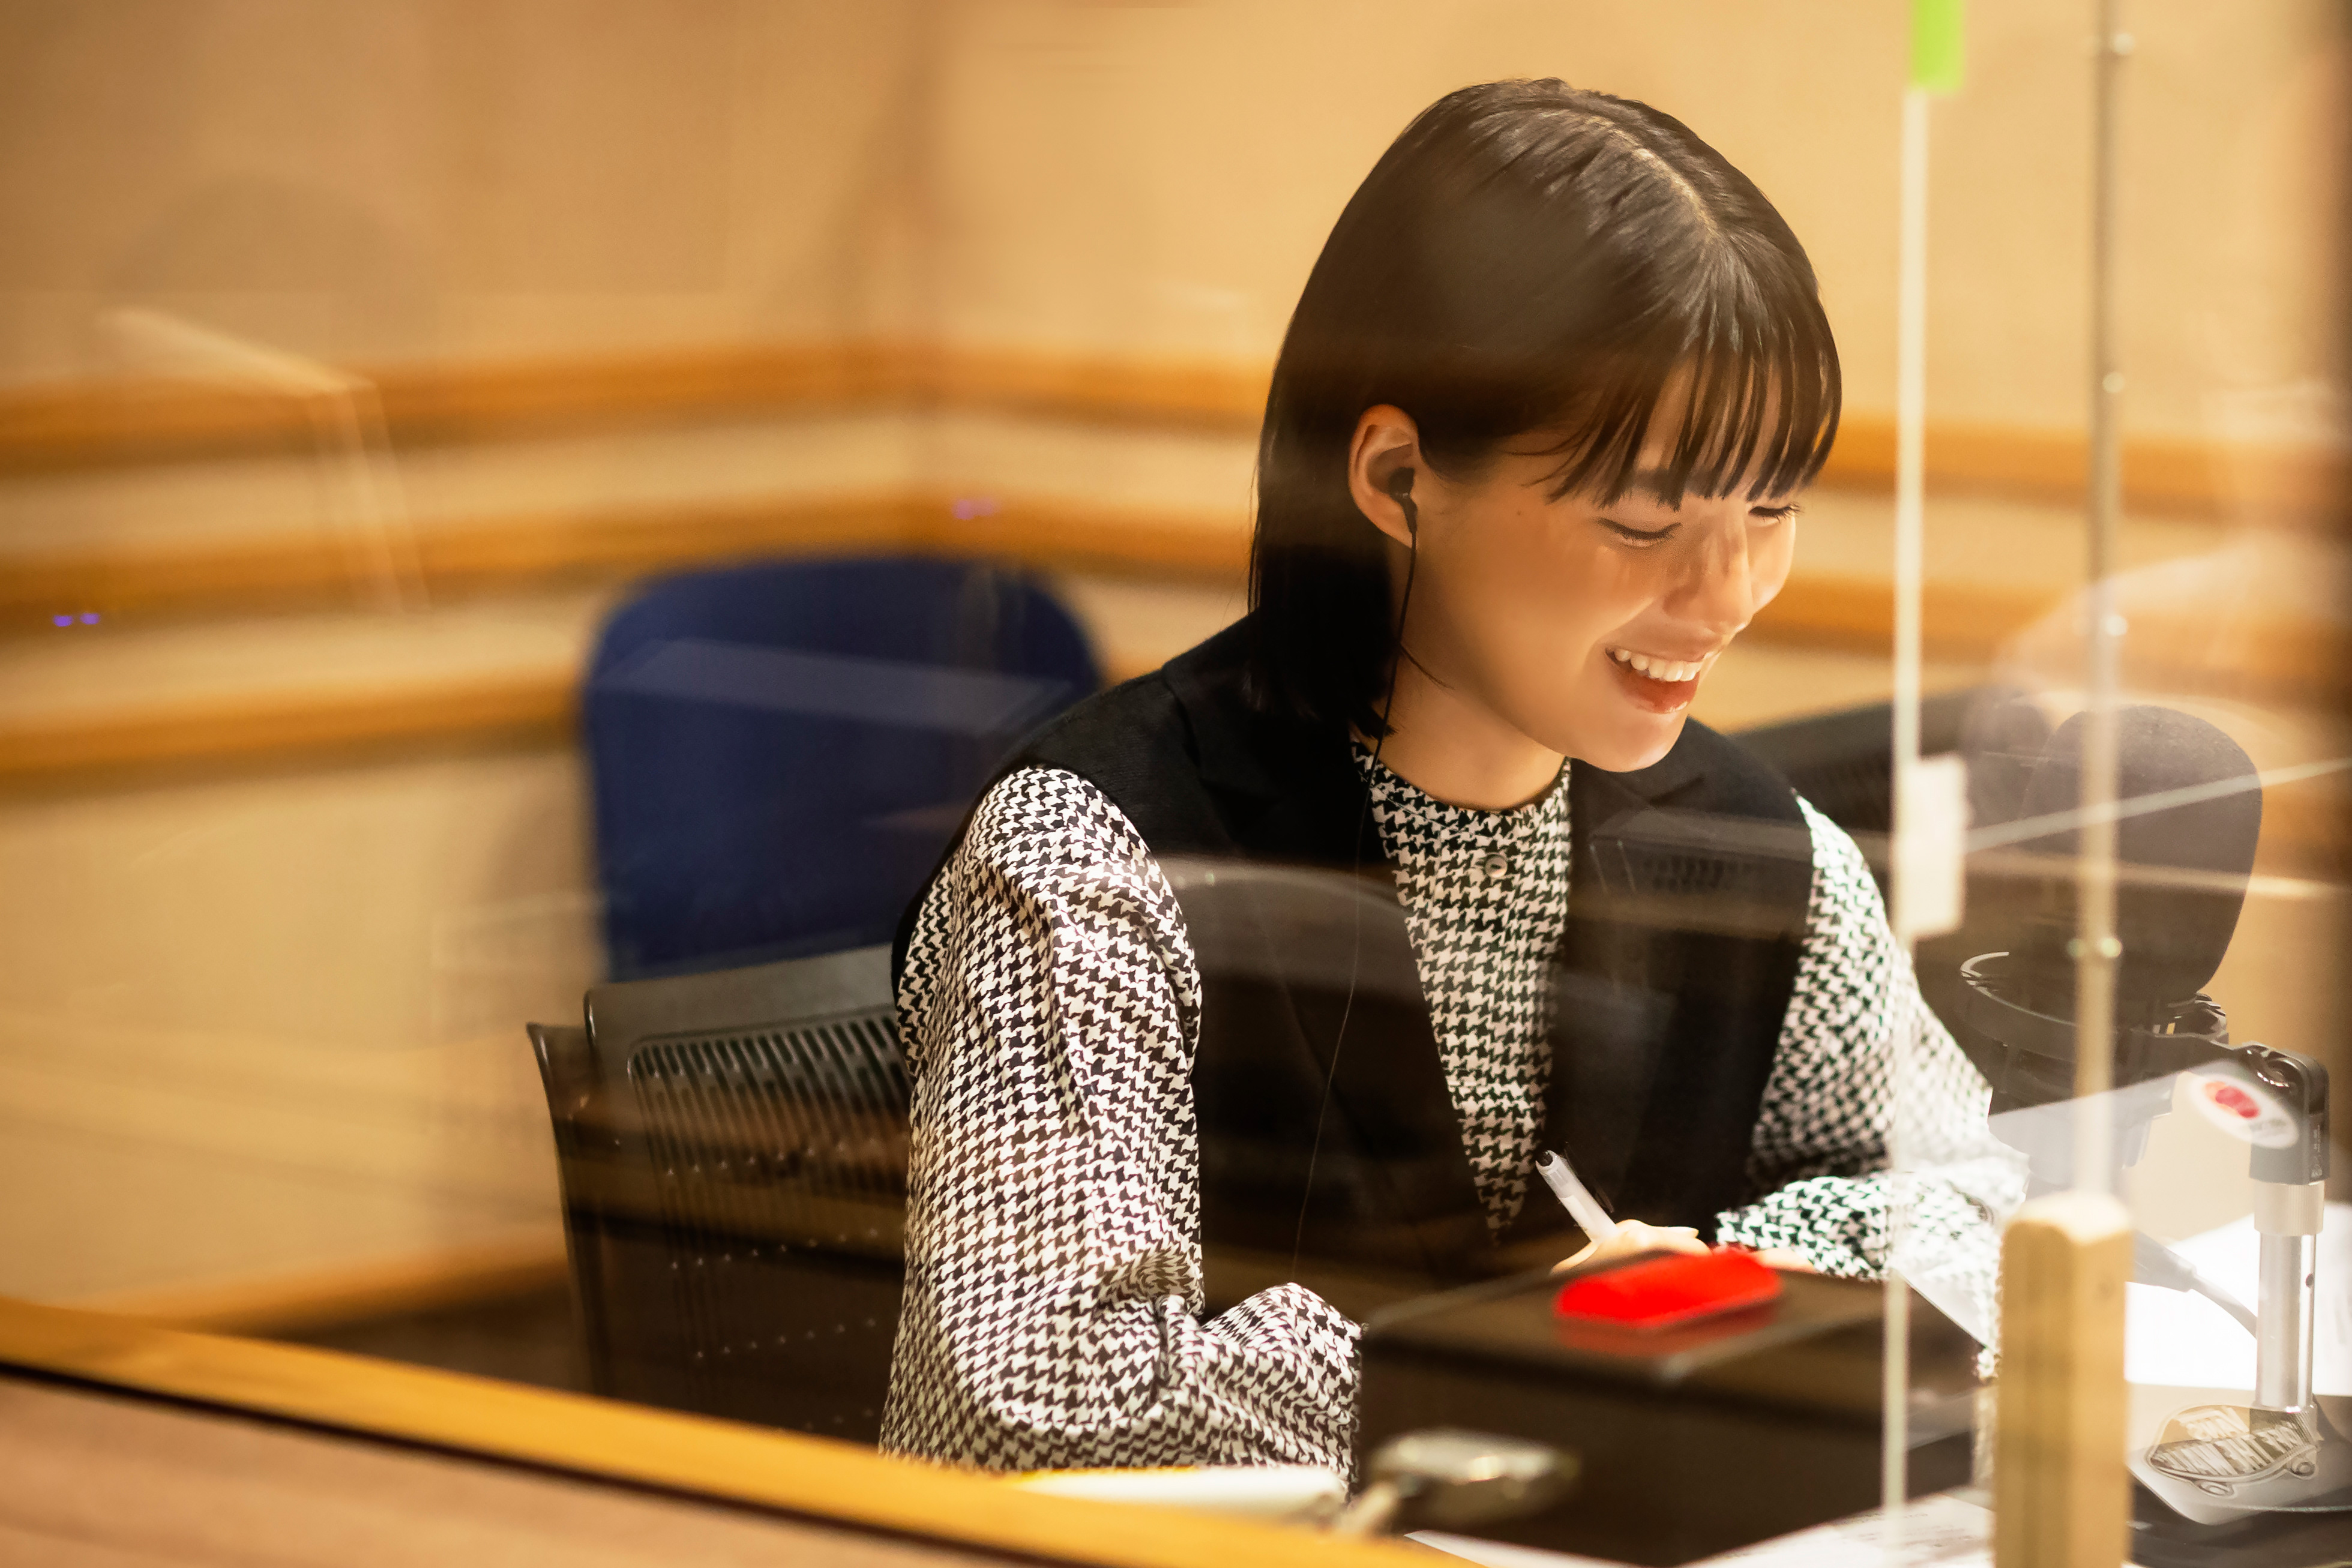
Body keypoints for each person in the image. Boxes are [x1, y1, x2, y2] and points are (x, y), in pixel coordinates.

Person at [879, 79, 2020, 1474]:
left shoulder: (1756, 848)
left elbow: (1976, 1207)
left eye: (1769, 509)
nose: (1728, 594)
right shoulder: (1095, 858)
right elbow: (1018, 1399)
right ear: (1397, 476)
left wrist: (1714, 1276)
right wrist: (1519, 1348)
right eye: (1643, 518)